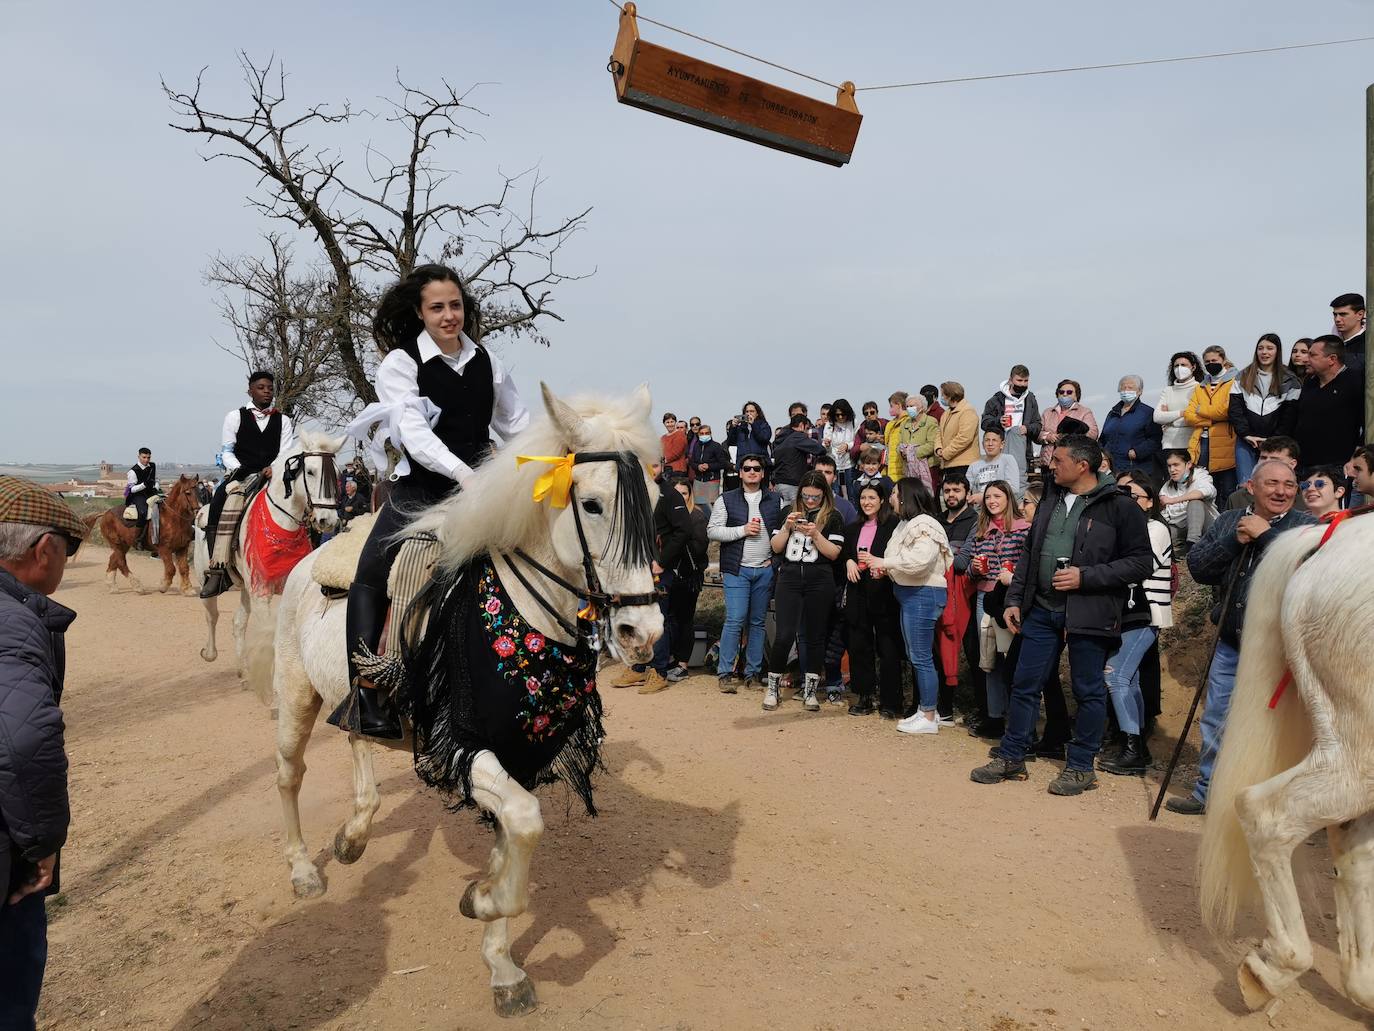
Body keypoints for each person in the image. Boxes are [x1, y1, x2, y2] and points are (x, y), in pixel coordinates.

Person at [331, 264, 529, 739]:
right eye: (437, 307)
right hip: (422, 491)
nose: (448, 315)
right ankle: (369, 690)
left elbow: (518, 425)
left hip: (483, 493)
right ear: (419, 312)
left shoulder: (490, 362)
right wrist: (465, 474)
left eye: (455, 305)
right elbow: (414, 434)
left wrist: (546, 466)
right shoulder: (400, 364)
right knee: (373, 570)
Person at [970, 435, 1153, 796]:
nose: (1050, 466)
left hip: (1091, 612)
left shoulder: (1119, 506)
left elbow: (1140, 562)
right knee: (1024, 685)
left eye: (1058, 461)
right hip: (1041, 610)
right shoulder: (1050, 499)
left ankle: (1082, 766)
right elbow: (1029, 554)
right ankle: (1012, 756)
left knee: (1087, 690)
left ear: (1083, 465)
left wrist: (1087, 577)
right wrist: (1015, 600)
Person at [1166, 458, 1317, 815]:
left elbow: (1310, 571)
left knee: (1277, 725)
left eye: (1289, 485)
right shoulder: (1230, 521)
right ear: (1252, 486)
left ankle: (1273, 804)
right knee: (1217, 718)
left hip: (1282, 648)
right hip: (1231, 641)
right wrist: (1235, 541)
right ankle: (1209, 792)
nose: (1281, 491)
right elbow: (1200, 569)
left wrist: (1267, 537)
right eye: (1272, 484)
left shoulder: (1307, 527)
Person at [0, 476, 86, 1030]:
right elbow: (25, 742)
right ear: (43, 550)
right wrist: (40, 846)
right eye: (68, 550)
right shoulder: (15, 625)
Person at [1097, 473, 1173, 776]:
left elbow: (1136, 567)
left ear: (1150, 502)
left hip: (1147, 613)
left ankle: (1133, 748)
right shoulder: (1134, 528)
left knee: (1115, 677)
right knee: (1131, 681)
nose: (1130, 503)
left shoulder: (1154, 528)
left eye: (1137, 497)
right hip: (1131, 614)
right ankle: (1137, 746)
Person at [200, 370, 298, 598]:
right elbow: (227, 450)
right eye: (261, 387)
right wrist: (238, 469)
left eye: (270, 388)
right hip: (242, 474)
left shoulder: (283, 421)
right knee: (218, 502)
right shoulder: (234, 416)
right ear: (250, 390)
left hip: (272, 475)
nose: (266, 392)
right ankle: (218, 571)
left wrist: (273, 468)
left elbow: (285, 451)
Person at [866, 478, 951, 737]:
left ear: (905, 496)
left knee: (921, 656)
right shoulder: (906, 523)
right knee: (917, 655)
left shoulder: (924, 524)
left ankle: (928, 714)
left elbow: (919, 561)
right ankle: (927, 710)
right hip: (910, 593)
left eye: (893, 493)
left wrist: (883, 562)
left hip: (923, 593)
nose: (890, 498)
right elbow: (902, 561)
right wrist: (886, 569)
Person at [952, 480, 1029, 741]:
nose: (992, 501)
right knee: (989, 660)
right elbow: (971, 571)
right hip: (985, 596)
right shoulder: (981, 531)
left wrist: (1013, 575)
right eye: (988, 497)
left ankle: (1020, 721)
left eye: (997, 496)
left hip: (1012, 598)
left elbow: (1029, 568)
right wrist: (975, 568)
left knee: (1016, 660)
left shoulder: (1023, 530)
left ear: (1009, 498)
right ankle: (994, 717)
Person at [763, 472, 845, 712]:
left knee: (816, 636)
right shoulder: (787, 511)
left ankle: (811, 691)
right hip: (789, 578)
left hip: (820, 579)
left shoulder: (833, 517)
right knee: (784, 634)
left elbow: (834, 553)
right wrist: (787, 527)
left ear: (824, 495)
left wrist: (815, 534)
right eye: (806, 496)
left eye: (816, 497)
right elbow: (776, 547)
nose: (810, 501)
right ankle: (773, 688)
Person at [613, 471, 692, 695]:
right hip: (636, 567)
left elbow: (684, 530)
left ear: (662, 465)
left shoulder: (670, 494)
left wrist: (663, 561)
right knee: (636, 618)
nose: (650, 468)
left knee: (658, 619)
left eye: (655, 463)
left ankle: (659, 671)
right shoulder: (633, 493)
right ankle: (639, 667)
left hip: (660, 569)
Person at [708, 455, 781, 692]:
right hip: (736, 570)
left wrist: (774, 561)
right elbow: (713, 531)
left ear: (762, 474)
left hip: (764, 569)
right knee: (735, 619)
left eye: (756, 469)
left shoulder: (775, 500)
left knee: (757, 623)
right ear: (740, 473)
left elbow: (781, 533)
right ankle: (726, 673)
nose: (751, 472)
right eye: (747, 468)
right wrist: (743, 530)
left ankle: (753, 673)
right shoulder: (726, 499)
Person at [840, 481, 901, 716]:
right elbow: (845, 551)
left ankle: (891, 701)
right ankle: (864, 696)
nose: (867, 502)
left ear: (882, 500)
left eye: (872, 498)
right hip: (858, 590)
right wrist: (848, 561)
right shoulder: (853, 526)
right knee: (859, 646)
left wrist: (878, 561)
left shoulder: (893, 524)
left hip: (884, 591)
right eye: (863, 498)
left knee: (888, 647)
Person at [934, 474, 979, 724]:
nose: (951, 495)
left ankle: (983, 713)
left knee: (974, 655)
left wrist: (941, 550)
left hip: (967, 596)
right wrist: (952, 550)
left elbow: (962, 563)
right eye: (947, 490)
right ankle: (944, 709)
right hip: (939, 593)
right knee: (940, 652)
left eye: (956, 490)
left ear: (966, 492)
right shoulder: (937, 520)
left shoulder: (974, 520)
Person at [1228, 333, 1300, 485]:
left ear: (1277, 351)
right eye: (1260, 348)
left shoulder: (1290, 379)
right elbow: (1235, 410)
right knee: (1245, 485)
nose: (1264, 352)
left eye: (1269, 348)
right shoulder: (1243, 376)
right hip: (1247, 442)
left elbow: (1290, 415)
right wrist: (1246, 434)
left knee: (1272, 482)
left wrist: (1273, 439)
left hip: (1275, 443)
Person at [1292, 335, 1364, 472]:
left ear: (1332, 359)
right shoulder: (1309, 382)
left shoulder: (1355, 382)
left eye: (1312, 355)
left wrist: (1356, 458)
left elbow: (1366, 423)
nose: (1306, 359)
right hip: (1304, 465)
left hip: (1338, 466)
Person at [662, 476, 709, 684]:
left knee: (685, 619)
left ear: (690, 495)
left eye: (684, 493)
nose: (680, 497)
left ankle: (683, 664)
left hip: (689, 576)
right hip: (670, 575)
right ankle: (671, 659)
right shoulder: (666, 516)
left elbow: (700, 550)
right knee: (669, 619)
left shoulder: (697, 517)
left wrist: (681, 535)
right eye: (676, 493)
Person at [979, 366, 1040, 490]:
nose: (1022, 384)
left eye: (1026, 381)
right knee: (999, 482)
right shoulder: (996, 400)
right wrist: (998, 421)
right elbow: (984, 423)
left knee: (1018, 483)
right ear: (1010, 380)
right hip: (1000, 446)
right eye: (1019, 380)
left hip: (1021, 448)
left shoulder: (1030, 400)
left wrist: (1027, 428)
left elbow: (1038, 425)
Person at [1099, 376, 1163, 477]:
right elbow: (1103, 438)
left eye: (1130, 388)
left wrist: (1137, 452)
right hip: (1111, 469)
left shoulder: (1147, 413)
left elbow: (1156, 438)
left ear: (1139, 391)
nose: (1126, 390)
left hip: (1136, 469)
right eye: (1123, 387)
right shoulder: (1112, 413)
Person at [1224, 436, 1306, 513]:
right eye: (1263, 458)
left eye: (1274, 459)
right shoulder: (1238, 499)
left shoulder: (1307, 499)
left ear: (1292, 464)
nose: (1266, 463)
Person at [1158, 449, 1217, 554]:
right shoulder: (1167, 486)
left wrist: (1173, 500)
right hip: (1179, 525)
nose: (1172, 469)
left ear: (1188, 464)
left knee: (1195, 502)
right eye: (1169, 466)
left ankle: (1193, 545)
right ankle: (1181, 546)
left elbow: (1205, 492)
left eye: (1176, 465)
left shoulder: (1201, 475)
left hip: (1206, 526)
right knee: (1161, 535)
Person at [1038, 379, 1099, 471]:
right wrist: (1048, 437)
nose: (1065, 394)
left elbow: (1093, 433)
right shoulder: (1047, 412)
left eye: (1069, 392)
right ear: (1057, 394)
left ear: (1076, 396)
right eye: (1061, 392)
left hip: (1072, 463)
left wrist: (1072, 437)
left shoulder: (1085, 412)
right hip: (1048, 463)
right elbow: (1037, 433)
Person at [770, 413, 825, 505]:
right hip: (792, 484)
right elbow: (819, 449)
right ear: (801, 426)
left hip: (779, 483)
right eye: (807, 429)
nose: (808, 433)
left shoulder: (781, 438)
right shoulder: (798, 437)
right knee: (794, 514)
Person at [1154, 351, 1203, 452]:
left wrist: (1170, 421)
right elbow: (1157, 417)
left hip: (1192, 444)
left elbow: (1197, 418)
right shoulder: (1168, 390)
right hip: (1168, 445)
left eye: (1183, 365)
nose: (1179, 368)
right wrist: (1183, 413)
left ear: (1193, 367)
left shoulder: (1199, 388)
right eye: (1176, 366)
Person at [890, 392, 939, 488]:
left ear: (921, 407)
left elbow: (932, 444)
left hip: (927, 468)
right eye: (907, 406)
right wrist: (902, 451)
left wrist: (911, 452)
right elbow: (899, 444)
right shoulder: (904, 423)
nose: (909, 409)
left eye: (912, 406)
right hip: (908, 469)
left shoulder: (931, 422)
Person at [935, 381, 979, 483]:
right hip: (948, 463)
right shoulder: (946, 413)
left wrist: (946, 453)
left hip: (964, 464)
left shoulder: (967, 411)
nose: (941, 397)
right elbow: (939, 432)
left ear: (950, 395)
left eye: (943, 395)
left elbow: (964, 437)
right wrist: (938, 449)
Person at [967, 428, 1021, 506]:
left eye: (994, 440)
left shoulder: (1008, 459)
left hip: (1002, 507)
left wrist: (985, 497)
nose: (990, 444)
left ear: (1002, 444)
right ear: (982, 444)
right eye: (987, 440)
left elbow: (1013, 489)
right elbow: (965, 488)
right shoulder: (974, 466)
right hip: (980, 510)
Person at [125, 447, 162, 553]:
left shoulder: (152, 466)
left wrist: (156, 486)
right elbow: (132, 489)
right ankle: (137, 539)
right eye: (144, 457)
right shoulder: (133, 471)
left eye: (148, 457)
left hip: (151, 493)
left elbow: (156, 479)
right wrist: (144, 485)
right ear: (139, 456)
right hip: (138, 495)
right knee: (143, 512)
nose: (146, 460)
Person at [821, 398, 858, 499]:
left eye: (843, 414)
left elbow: (857, 442)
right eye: (837, 415)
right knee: (835, 492)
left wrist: (847, 446)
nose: (840, 417)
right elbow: (825, 444)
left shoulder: (853, 422)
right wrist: (827, 444)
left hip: (849, 463)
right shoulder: (829, 424)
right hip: (834, 463)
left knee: (851, 492)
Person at [690, 423, 730, 506]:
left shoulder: (716, 446)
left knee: (711, 506)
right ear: (698, 434)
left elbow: (723, 463)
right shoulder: (696, 446)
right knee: (699, 505)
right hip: (698, 480)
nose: (704, 435)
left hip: (712, 480)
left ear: (710, 433)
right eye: (702, 433)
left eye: (706, 433)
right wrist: (698, 466)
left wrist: (709, 466)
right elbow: (692, 462)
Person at [812, 455, 857, 524]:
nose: (823, 476)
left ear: (834, 478)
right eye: (819, 472)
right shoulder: (802, 502)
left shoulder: (846, 506)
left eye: (827, 472)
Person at [726, 402, 772, 469]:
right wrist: (733, 427)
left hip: (760, 463)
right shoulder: (740, 428)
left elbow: (764, 439)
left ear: (757, 413)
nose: (749, 413)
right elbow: (730, 442)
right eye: (747, 411)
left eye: (752, 411)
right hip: (743, 464)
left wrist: (754, 425)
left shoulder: (764, 425)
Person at [1331, 291, 1366, 377]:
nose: (1337, 319)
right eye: (1335, 315)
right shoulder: (1329, 344)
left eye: (1343, 314)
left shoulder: (1369, 344)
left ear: (1360, 315)